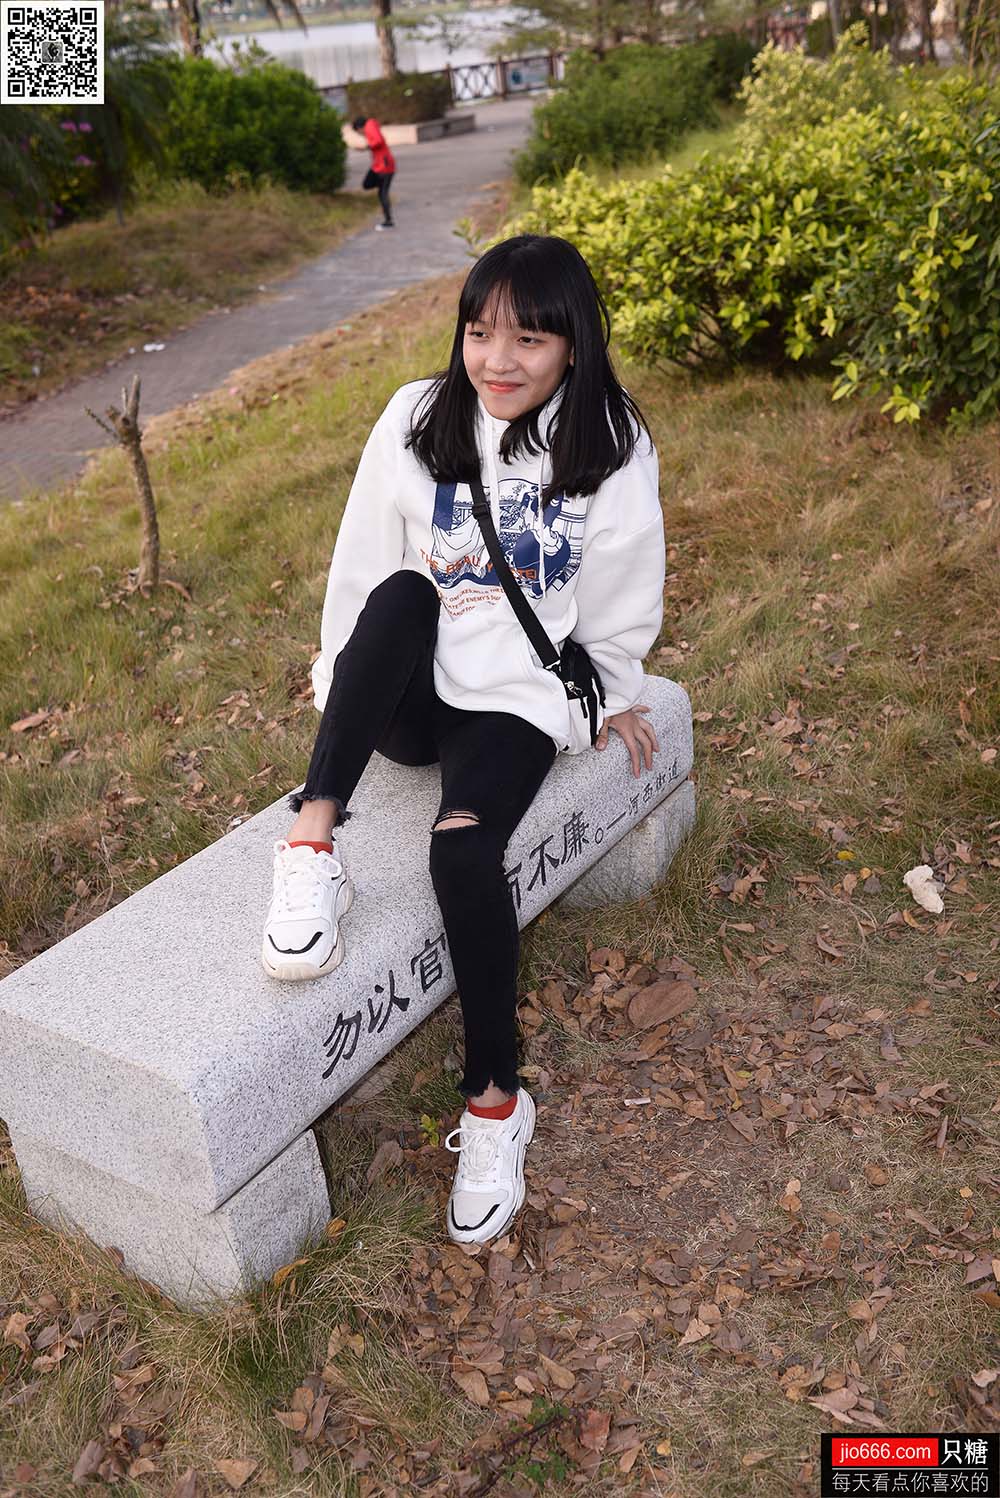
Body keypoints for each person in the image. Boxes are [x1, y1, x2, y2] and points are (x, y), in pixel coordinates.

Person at [261, 234, 666, 1246]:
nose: (498, 360)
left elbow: (624, 587)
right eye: (481, 333)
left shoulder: (609, 439)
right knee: (405, 592)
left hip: (514, 701)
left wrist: (609, 694)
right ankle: (312, 844)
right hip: (414, 689)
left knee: (463, 853)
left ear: (573, 344)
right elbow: (363, 570)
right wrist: (344, 691)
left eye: (529, 339)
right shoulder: (416, 415)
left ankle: (493, 1105)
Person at [353, 114, 395, 230]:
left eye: (358, 132)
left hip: (384, 166)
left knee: (382, 193)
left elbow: (378, 140)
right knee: (369, 185)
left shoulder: (369, 126)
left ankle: (388, 221)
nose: (361, 135)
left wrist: (366, 147)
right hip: (379, 165)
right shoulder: (371, 126)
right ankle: (388, 220)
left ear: (359, 128)